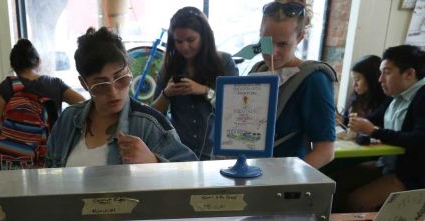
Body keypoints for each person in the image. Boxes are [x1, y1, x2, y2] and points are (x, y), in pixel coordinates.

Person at [45, 27, 196, 168]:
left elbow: (190, 171)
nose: (113, 92)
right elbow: (50, 174)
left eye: (121, 79)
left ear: (129, 72)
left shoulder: (149, 125)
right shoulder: (68, 120)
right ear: (84, 84)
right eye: (101, 85)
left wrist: (154, 162)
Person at [335, 45, 425, 212]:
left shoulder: (421, 96)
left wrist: (374, 131)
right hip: (388, 165)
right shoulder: (395, 96)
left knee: (357, 201)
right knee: (337, 183)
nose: (380, 79)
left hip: (412, 175)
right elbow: (372, 120)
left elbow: (418, 139)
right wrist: (345, 121)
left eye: (387, 72)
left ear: (409, 74)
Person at [249, 0, 336, 169]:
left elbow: (325, 151)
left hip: (287, 179)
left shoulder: (313, 80)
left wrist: (286, 179)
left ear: (300, 37)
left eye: (282, 44)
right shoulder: (257, 71)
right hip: (252, 172)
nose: (272, 52)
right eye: (265, 41)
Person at [151, 6, 239, 159]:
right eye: (178, 41)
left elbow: (236, 109)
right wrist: (166, 94)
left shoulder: (224, 62)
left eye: (191, 40)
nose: (184, 47)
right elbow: (153, 116)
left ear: (204, 37)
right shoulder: (169, 67)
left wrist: (204, 91)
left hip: (216, 152)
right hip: (180, 152)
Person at [0, 39, 85, 169]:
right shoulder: (55, 84)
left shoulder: (6, 86)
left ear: (12, 65)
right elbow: (84, 104)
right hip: (48, 160)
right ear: (38, 61)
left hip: (10, 164)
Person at [337, 55, 386, 127]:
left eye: (357, 79)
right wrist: (342, 119)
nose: (354, 85)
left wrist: (345, 121)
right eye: (353, 79)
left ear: (371, 79)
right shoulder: (355, 97)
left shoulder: (385, 102)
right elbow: (347, 122)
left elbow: (368, 125)